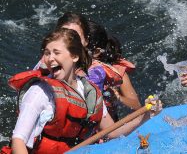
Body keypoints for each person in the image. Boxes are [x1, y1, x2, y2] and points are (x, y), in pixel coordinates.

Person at [5, 28, 162, 154]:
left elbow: (113, 132)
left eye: (56, 52)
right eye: (47, 53)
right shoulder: (39, 91)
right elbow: (18, 140)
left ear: (74, 56)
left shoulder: (90, 93)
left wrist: (146, 115)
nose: (49, 58)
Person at [86, 20, 142, 121]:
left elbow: (136, 105)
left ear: (96, 52)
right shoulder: (64, 68)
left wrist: (118, 97)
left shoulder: (115, 69)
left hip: (107, 127)